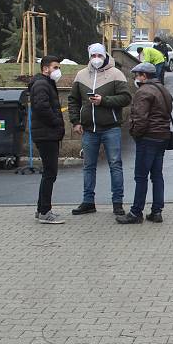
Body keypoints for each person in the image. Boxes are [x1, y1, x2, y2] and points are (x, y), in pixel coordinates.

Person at [68, 43, 132, 217]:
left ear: (105, 56)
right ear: (89, 57)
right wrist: (75, 121)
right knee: (88, 166)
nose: (96, 59)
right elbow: (73, 100)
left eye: (99, 56)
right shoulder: (81, 75)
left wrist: (104, 100)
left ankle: (117, 203)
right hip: (89, 129)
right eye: (93, 56)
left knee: (115, 165)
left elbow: (126, 98)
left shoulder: (116, 74)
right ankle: (88, 201)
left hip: (111, 128)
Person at [116, 62, 173, 224]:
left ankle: (136, 212)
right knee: (157, 175)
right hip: (162, 136)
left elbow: (140, 118)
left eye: (137, 75)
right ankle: (156, 211)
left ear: (144, 76)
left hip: (148, 138)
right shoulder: (163, 89)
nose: (136, 78)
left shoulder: (143, 92)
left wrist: (135, 134)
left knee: (141, 177)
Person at [29, 55, 66, 224]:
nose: (58, 71)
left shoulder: (45, 83)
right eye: (55, 67)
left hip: (46, 134)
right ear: (45, 69)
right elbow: (42, 107)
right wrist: (56, 122)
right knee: (50, 173)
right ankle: (44, 211)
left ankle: (42, 209)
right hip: (46, 135)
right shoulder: (42, 84)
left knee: (48, 173)